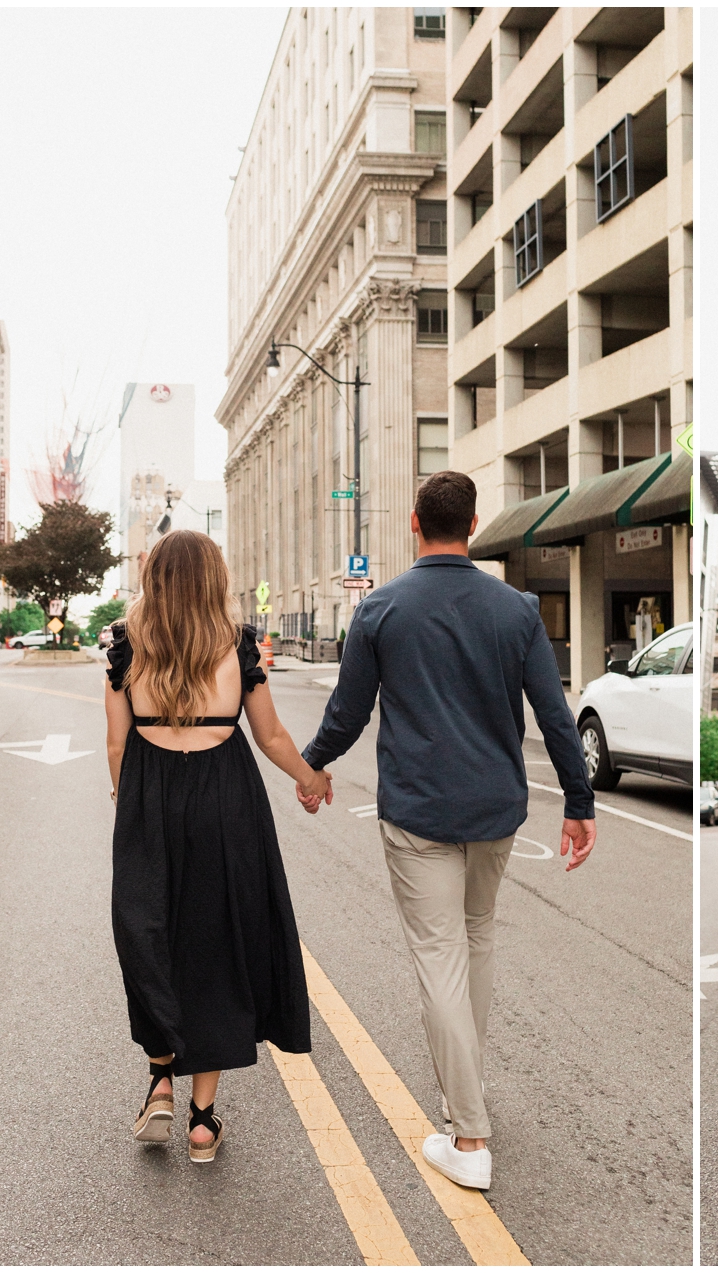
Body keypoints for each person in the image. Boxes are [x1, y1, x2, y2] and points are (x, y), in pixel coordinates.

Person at [300, 470, 597, 1191]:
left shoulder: (381, 609)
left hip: (420, 813)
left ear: (413, 522)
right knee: (477, 938)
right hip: (496, 809)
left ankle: (468, 1134)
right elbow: (557, 716)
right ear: (471, 524)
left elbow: (349, 711)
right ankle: (467, 1086)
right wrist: (580, 804)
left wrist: (312, 765)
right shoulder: (517, 609)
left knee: (440, 955)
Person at [104, 530, 330, 1163]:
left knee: (148, 936)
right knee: (219, 943)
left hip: (151, 798)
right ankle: (203, 1120)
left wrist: (132, 807)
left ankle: (159, 1081)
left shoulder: (128, 647)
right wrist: (311, 779)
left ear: (154, 581)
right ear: (213, 579)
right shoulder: (237, 644)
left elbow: (117, 745)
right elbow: (272, 735)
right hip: (226, 802)